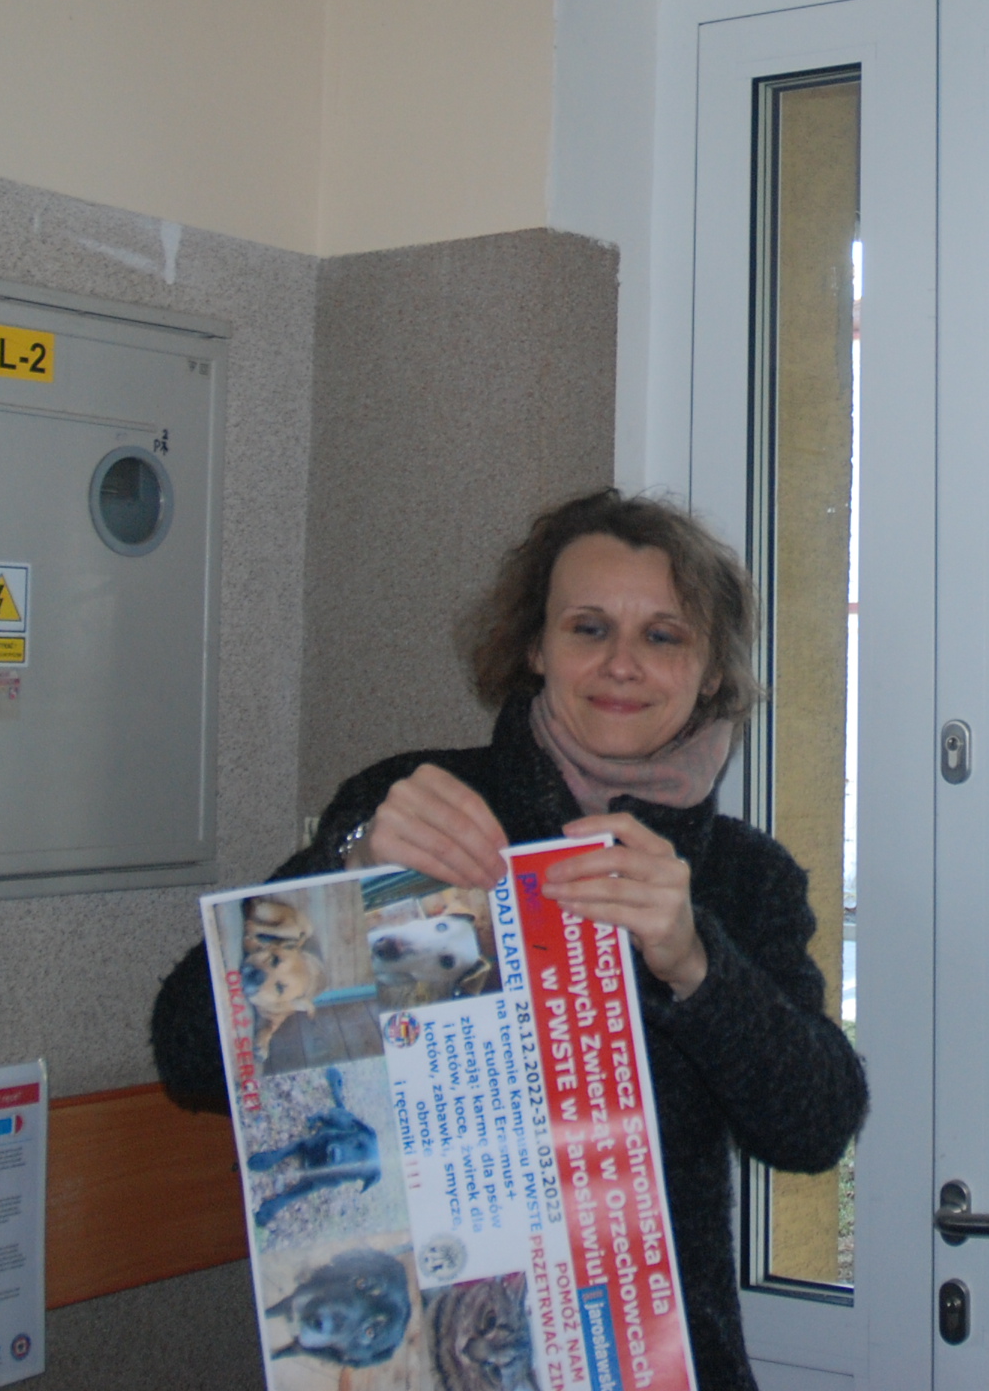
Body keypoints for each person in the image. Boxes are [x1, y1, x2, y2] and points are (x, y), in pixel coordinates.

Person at [150, 488, 868, 1391]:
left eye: (663, 636)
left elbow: (816, 1127)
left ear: (713, 670)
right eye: (588, 628)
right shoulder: (413, 805)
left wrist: (697, 964)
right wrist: (346, 878)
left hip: (660, 1361)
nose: (621, 664)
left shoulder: (743, 875)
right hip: (421, 1352)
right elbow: (191, 1054)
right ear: (535, 647)